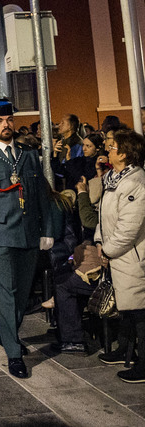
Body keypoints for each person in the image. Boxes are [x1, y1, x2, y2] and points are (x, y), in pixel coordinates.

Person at [0, 99, 55, 379]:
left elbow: (43, 195)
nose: (6, 125)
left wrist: (48, 230)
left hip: (29, 233)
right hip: (1, 234)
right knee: (6, 295)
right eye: (0, 121)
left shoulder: (28, 155)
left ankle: (8, 334)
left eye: (9, 120)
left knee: (23, 293)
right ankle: (14, 354)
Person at [94, 129, 145, 382]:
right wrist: (99, 241)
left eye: (112, 147)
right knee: (124, 307)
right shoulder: (113, 178)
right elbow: (104, 215)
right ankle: (126, 350)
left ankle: (143, 363)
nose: (107, 150)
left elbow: (129, 227)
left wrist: (109, 249)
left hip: (132, 256)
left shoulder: (135, 182)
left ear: (124, 154)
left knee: (138, 311)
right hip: (117, 255)